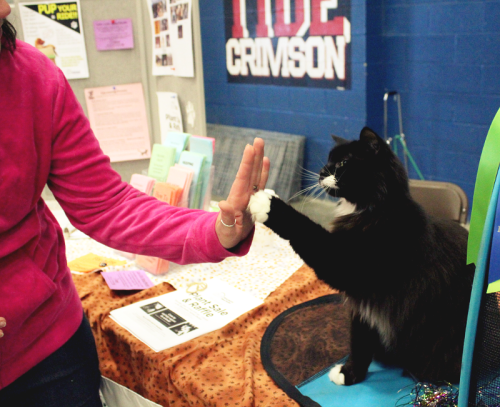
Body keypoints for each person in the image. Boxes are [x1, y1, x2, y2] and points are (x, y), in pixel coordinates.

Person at [0, 3, 270, 406]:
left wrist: (216, 231)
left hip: (47, 346)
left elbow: (105, 203)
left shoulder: (35, 77)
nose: (6, 7)